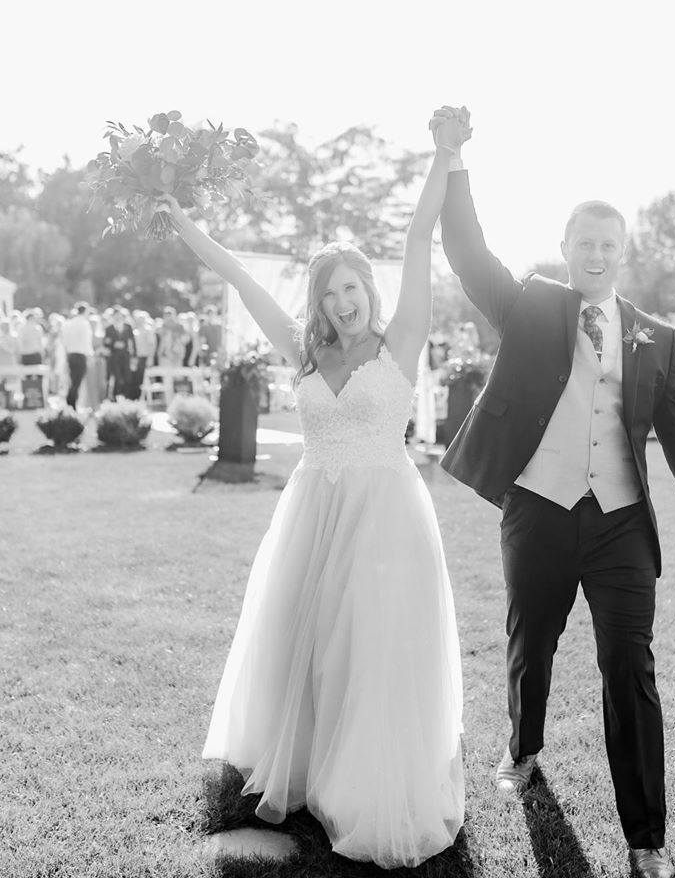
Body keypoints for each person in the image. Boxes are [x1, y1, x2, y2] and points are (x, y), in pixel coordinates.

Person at [430, 105, 675, 878]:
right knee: (532, 642)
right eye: (584, 243)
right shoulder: (530, 304)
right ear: (566, 248)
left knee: (628, 666)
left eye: (609, 246)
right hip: (538, 507)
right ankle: (523, 745)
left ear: (621, 255)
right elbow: (468, 255)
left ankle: (645, 839)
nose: (596, 255)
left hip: (622, 525)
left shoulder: (654, 337)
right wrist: (454, 161)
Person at [157, 117, 466, 869]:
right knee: (313, 641)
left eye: (352, 288)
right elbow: (239, 276)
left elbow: (420, 238)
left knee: (370, 646)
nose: (343, 303)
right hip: (310, 512)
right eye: (330, 295)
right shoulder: (304, 352)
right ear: (320, 303)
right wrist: (179, 217)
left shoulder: (401, 343)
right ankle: (310, 765)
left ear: (369, 288)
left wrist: (445, 158)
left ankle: (365, 780)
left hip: (383, 515)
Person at [61, 303, 94, 410]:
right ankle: (71, 403)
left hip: (71, 354)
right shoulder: (84, 323)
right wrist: (90, 355)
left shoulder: (70, 323)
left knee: (73, 380)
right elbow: (86, 341)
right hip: (80, 355)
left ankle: (70, 402)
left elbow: (64, 341)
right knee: (77, 381)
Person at [103, 308, 136, 400]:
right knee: (116, 377)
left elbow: (132, 342)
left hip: (125, 355)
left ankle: (127, 397)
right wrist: (114, 344)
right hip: (114, 356)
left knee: (127, 377)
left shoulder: (128, 327)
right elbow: (106, 343)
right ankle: (116, 397)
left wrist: (133, 355)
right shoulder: (109, 328)